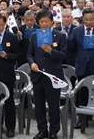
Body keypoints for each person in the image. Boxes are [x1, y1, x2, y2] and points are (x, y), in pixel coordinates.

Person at [68, 7, 94, 132]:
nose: (89, 22)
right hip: (82, 66)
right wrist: (68, 38)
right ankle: (82, 120)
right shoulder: (77, 31)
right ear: (83, 19)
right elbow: (72, 48)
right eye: (86, 20)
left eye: (91, 19)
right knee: (82, 94)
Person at [27, 10, 67, 139]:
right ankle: (42, 129)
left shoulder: (60, 36)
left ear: (52, 22)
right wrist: (32, 63)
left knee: (53, 105)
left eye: (46, 22)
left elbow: (64, 55)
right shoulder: (34, 36)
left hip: (53, 75)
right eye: (41, 22)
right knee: (39, 106)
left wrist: (51, 51)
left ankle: (54, 131)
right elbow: (29, 54)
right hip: (38, 75)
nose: (44, 24)